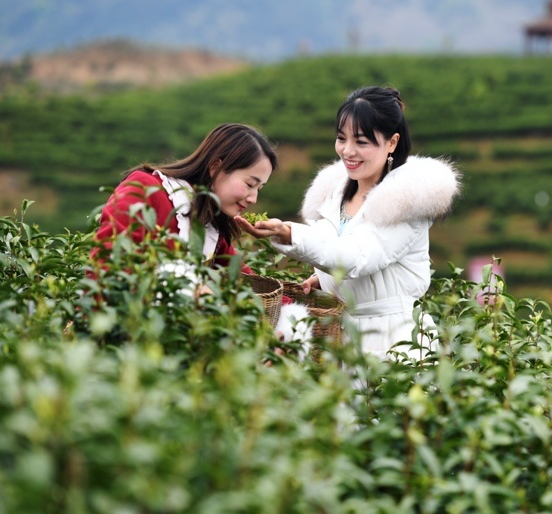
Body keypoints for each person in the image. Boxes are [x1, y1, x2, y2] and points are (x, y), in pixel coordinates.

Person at [235, 86, 460, 360]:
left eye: (362, 142)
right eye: (341, 138)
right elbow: (338, 249)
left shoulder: (405, 202)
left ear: (392, 142)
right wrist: (328, 280)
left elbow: (357, 257)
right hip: (344, 337)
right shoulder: (335, 195)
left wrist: (289, 233)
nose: (348, 151)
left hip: (394, 341)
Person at [91, 122, 297, 314]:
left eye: (259, 188)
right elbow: (108, 268)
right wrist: (191, 293)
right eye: (250, 184)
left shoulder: (210, 221)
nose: (253, 198)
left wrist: (294, 315)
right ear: (215, 167)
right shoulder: (145, 188)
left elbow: (244, 281)